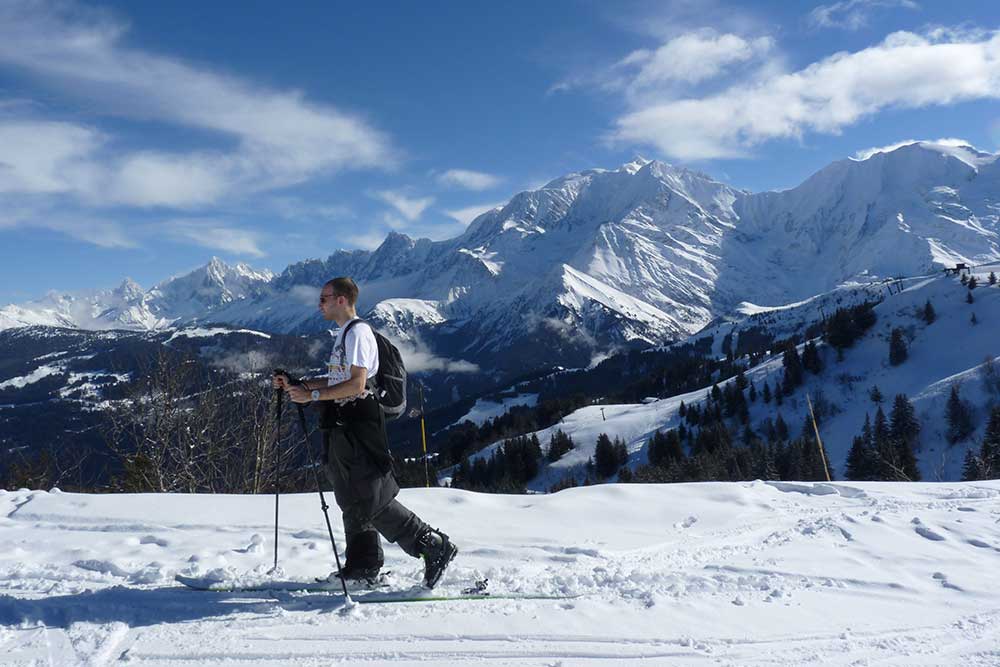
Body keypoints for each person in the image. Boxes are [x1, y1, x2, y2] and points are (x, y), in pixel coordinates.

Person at [273, 276, 457, 588]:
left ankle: (432, 545)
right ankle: (363, 564)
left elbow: (357, 384)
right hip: (342, 424)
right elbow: (337, 379)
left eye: (324, 298)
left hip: (358, 424)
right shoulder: (344, 334)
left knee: (373, 497)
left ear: (342, 300)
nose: (320, 304)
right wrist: (300, 385)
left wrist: (312, 397)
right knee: (350, 497)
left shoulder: (357, 333)